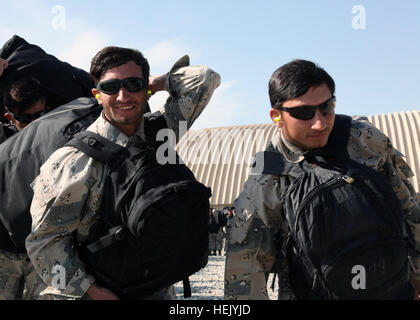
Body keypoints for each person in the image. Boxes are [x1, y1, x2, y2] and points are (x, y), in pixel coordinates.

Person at [25, 46, 220, 300]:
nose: (122, 96)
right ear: (97, 95)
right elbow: (44, 243)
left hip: (155, 289)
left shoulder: (161, 134)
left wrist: (159, 83)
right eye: (111, 87)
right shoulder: (74, 162)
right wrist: (92, 291)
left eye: (133, 84)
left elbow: (205, 78)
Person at [224, 59, 420, 300]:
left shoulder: (365, 139)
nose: (319, 123)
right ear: (276, 116)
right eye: (303, 112)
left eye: (326, 107)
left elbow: (409, 208)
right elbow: (247, 260)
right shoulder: (269, 174)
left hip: (392, 287)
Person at [0, 76, 49, 300]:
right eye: (25, 118)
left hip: (43, 251)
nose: (34, 123)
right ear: (10, 117)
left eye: (39, 116)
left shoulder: (56, 137)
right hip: (3, 252)